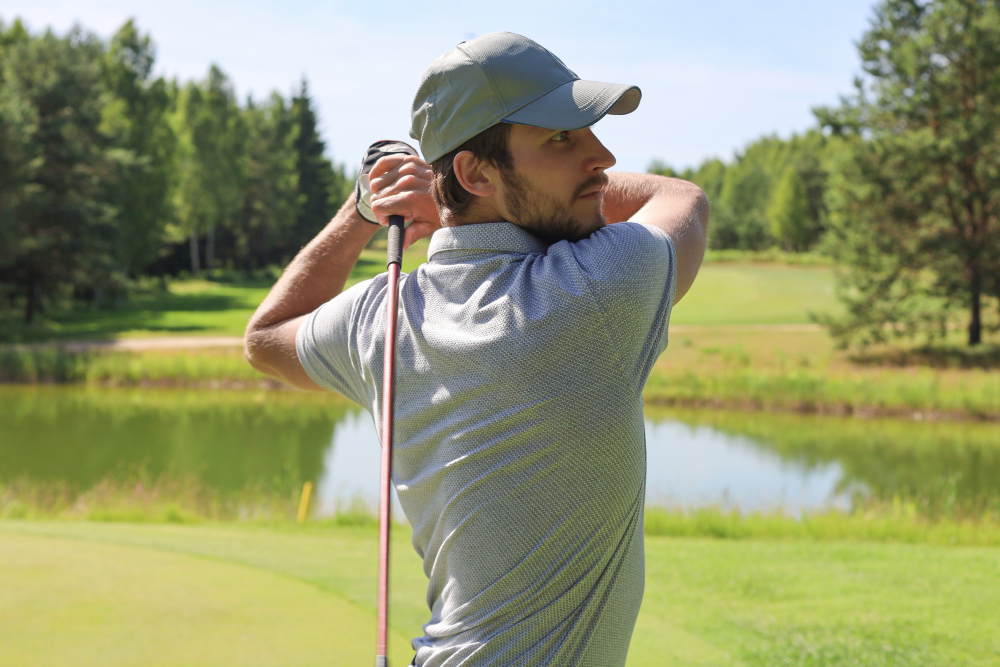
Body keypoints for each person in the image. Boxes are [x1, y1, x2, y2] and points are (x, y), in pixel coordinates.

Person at [245, 31, 709, 666]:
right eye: (561, 139)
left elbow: (266, 339)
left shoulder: (379, 317)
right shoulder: (599, 285)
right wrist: (444, 200)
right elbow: (681, 199)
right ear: (476, 172)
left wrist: (364, 208)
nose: (601, 156)